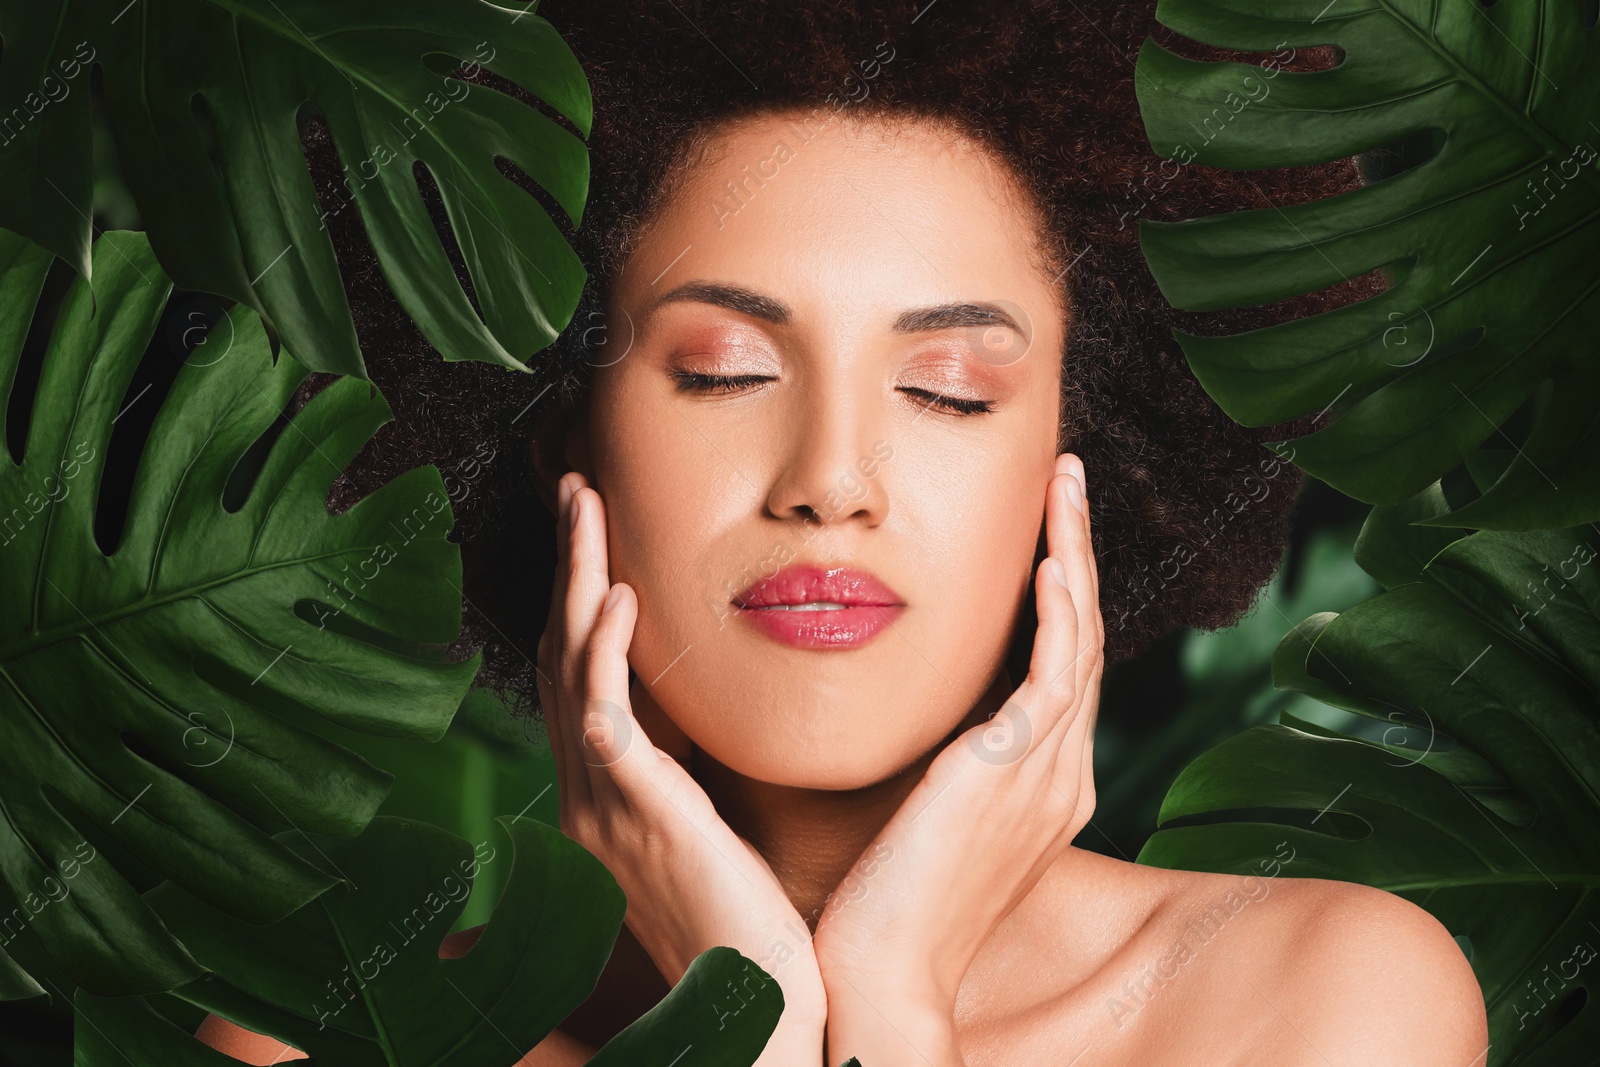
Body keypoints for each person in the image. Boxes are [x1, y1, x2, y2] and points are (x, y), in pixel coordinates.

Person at [199, 2, 1488, 1063]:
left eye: (947, 390)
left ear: (1073, 464)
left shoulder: (1319, 1006)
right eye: (722, 371)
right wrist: (744, 1012)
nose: (830, 481)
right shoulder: (331, 1037)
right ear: (560, 441)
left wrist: (892, 999)